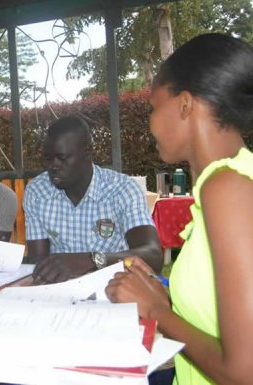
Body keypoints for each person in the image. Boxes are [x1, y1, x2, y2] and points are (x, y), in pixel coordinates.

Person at [105, 34, 253, 385]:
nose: (151, 123)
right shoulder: (232, 180)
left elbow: (244, 370)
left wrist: (158, 310)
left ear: (184, 104)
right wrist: (162, 295)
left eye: (154, 108)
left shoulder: (226, 188)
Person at [23, 116, 162, 284]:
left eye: (62, 157)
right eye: (48, 158)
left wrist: (90, 260)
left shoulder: (121, 189)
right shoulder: (37, 192)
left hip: (113, 288)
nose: (53, 166)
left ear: (87, 152)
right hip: (59, 291)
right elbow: (37, 263)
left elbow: (153, 256)